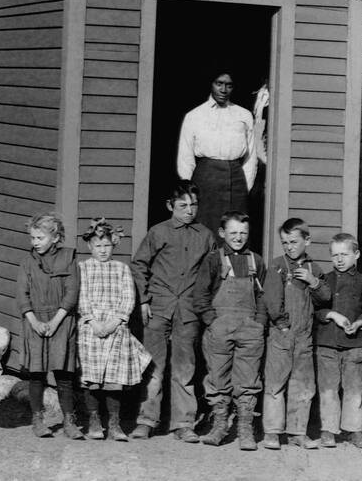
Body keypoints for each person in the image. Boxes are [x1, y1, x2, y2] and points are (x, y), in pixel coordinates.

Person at [129, 181, 215, 442]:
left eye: (193, 205)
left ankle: (183, 423)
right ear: (170, 206)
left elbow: (212, 275)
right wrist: (143, 300)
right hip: (158, 308)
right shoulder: (158, 232)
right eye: (183, 206)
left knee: (185, 368)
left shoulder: (205, 236)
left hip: (188, 311)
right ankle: (146, 420)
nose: (189, 210)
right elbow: (139, 265)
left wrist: (204, 307)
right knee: (153, 366)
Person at [193, 212, 267, 450]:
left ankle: (245, 429)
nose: (238, 237)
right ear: (223, 233)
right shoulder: (213, 259)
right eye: (233, 232)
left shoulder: (256, 261)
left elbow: (263, 297)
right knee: (217, 376)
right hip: (220, 329)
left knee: (248, 379)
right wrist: (211, 321)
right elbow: (201, 294)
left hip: (250, 330)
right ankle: (220, 425)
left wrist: (260, 323)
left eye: (243, 233)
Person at [260, 217, 329, 451]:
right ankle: (272, 432)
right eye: (284, 242)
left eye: (293, 241)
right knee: (275, 383)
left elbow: (324, 299)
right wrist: (282, 325)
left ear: (307, 240)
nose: (289, 247)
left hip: (305, 337)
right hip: (282, 334)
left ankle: (297, 431)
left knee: (303, 385)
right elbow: (271, 300)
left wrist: (313, 282)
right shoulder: (277, 266)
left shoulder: (314, 268)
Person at [76, 218, 148, 441]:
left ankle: (114, 423)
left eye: (107, 245)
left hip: (116, 328)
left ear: (114, 245)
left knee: (113, 379)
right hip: (91, 328)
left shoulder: (121, 269)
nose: (103, 250)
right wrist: (93, 321)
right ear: (90, 246)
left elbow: (128, 298)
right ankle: (94, 420)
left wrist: (115, 322)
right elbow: (80, 296)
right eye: (98, 246)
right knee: (92, 378)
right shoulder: (82, 268)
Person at [16, 212, 82, 439]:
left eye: (40, 238)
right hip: (35, 321)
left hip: (62, 321)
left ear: (55, 238)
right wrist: (34, 321)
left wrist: (55, 322)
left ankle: (69, 422)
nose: (35, 242)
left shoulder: (70, 258)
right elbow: (22, 296)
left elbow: (72, 293)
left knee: (64, 376)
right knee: (37, 375)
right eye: (32, 238)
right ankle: (38, 419)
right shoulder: (27, 262)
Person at [313, 232, 362, 449]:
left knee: (353, 389)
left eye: (345, 254)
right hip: (327, 344)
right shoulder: (325, 281)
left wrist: (359, 323)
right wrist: (332, 315)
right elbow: (317, 309)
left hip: (354, 344)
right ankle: (328, 430)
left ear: (356, 254)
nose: (339, 259)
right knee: (328, 389)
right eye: (335, 255)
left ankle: (354, 430)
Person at [176, 72, 257, 235]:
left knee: (235, 229)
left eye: (229, 85)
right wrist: (190, 192)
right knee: (206, 229)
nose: (223, 89)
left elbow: (251, 156)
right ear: (211, 84)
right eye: (219, 83)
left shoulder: (244, 115)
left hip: (236, 180)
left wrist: (243, 186)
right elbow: (185, 156)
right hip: (206, 179)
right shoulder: (195, 115)